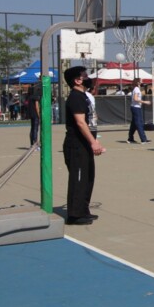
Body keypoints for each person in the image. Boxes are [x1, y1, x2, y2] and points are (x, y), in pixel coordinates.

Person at [63, 66, 105, 226]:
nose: (88, 77)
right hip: (76, 145)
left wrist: (95, 141)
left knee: (88, 178)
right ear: (77, 80)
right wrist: (93, 142)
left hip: (85, 144)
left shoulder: (84, 96)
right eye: (84, 75)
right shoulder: (75, 97)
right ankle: (74, 215)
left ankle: (83, 210)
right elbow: (80, 122)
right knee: (78, 179)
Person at [127, 78, 151, 144]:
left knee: (134, 124)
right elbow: (135, 98)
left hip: (135, 107)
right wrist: (145, 102)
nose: (142, 82)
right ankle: (143, 139)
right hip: (136, 108)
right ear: (138, 82)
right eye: (141, 81)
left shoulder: (136, 89)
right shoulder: (137, 89)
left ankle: (130, 138)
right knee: (139, 123)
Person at [27, 82, 41, 146]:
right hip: (35, 114)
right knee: (35, 129)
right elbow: (37, 107)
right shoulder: (35, 97)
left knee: (32, 129)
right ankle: (35, 144)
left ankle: (32, 143)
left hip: (31, 114)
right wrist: (39, 115)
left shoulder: (29, 97)